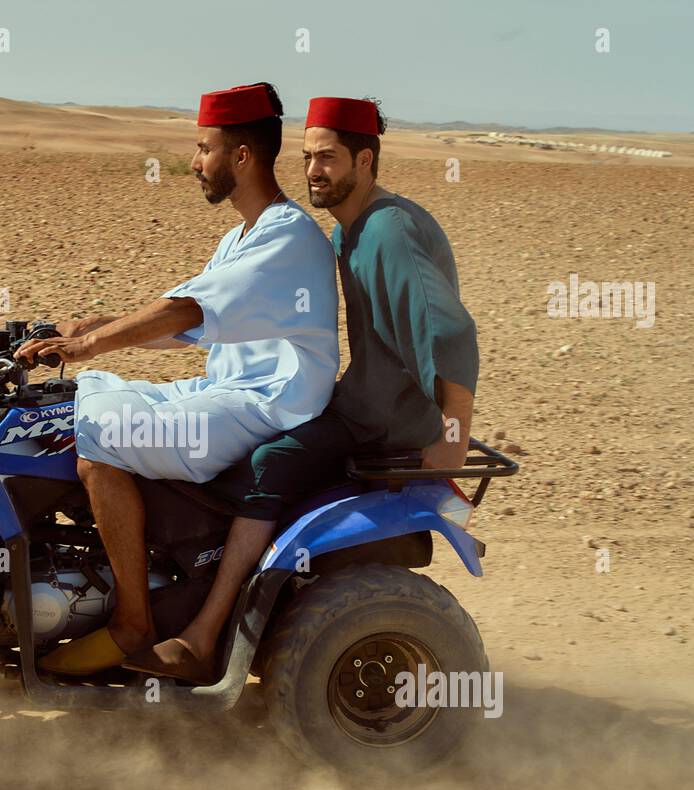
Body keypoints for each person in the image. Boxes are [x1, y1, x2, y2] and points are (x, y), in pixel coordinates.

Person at [124, 96, 479, 684]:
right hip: (363, 403)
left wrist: (453, 436)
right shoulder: (348, 233)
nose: (314, 170)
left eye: (330, 158)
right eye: (309, 157)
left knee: (272, 461)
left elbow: (450, 332)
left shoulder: (390, 230)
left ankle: (205, 635)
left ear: (365, 160)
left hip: (388, 420)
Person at [14, 82, 339, 677]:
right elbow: (188, 327)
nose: (193, 164)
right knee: (85, 396)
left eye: (202, 148)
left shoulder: (287, 237)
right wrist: (83, 327)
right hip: (226, 391)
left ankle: (132, 622)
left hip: (265, 406)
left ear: (240, 156)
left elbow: (187, 311)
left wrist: (87, 343)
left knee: (98, 433)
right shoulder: (243, 235)